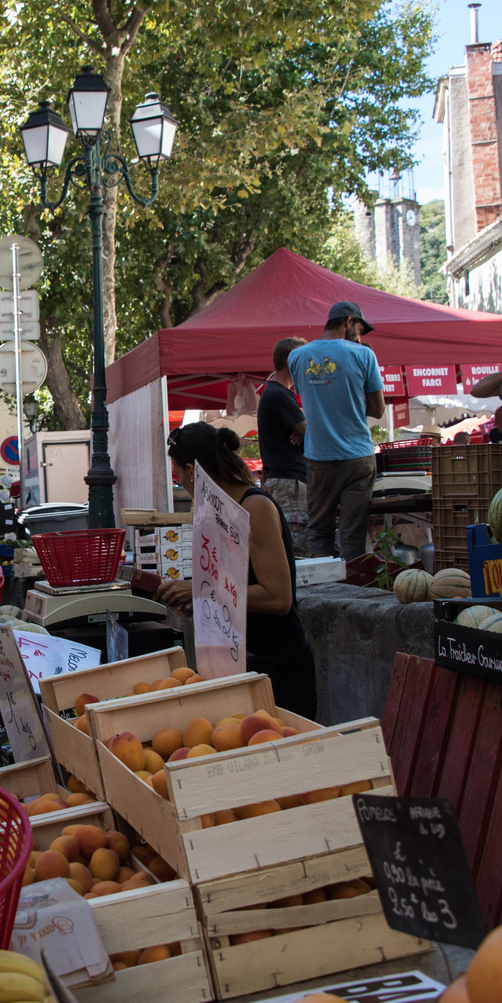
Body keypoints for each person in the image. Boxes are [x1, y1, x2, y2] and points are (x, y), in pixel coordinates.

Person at [157, 424, 317, 716]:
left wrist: (200, 592)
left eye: (179, 474)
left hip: (279, 672)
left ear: (193, 470)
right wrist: (200, 600)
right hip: (242, 668)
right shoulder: (217, 511)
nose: (180, 482)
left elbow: (278, 598)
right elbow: (231, 591)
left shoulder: (254, 508)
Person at [284, 302, 385, 562]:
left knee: (320, 533)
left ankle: (324, 593)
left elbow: (310, 398)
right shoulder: (364, 355)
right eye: (360, 330)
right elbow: (378, 409)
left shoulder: (296, 357)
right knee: (353, 535)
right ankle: (352, 594)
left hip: (319, 458)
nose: (360, 338)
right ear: (349, 321)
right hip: (358, 458)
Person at [257, 337, 310, 559]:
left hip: (287, 481)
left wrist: (306, 430)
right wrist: (308, 431)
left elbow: (306, 432)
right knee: (297, 550)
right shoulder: (279, 395)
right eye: (304, 360)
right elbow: (311, 434)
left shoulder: (277, 394)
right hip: (290, 483)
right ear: (291, 361)